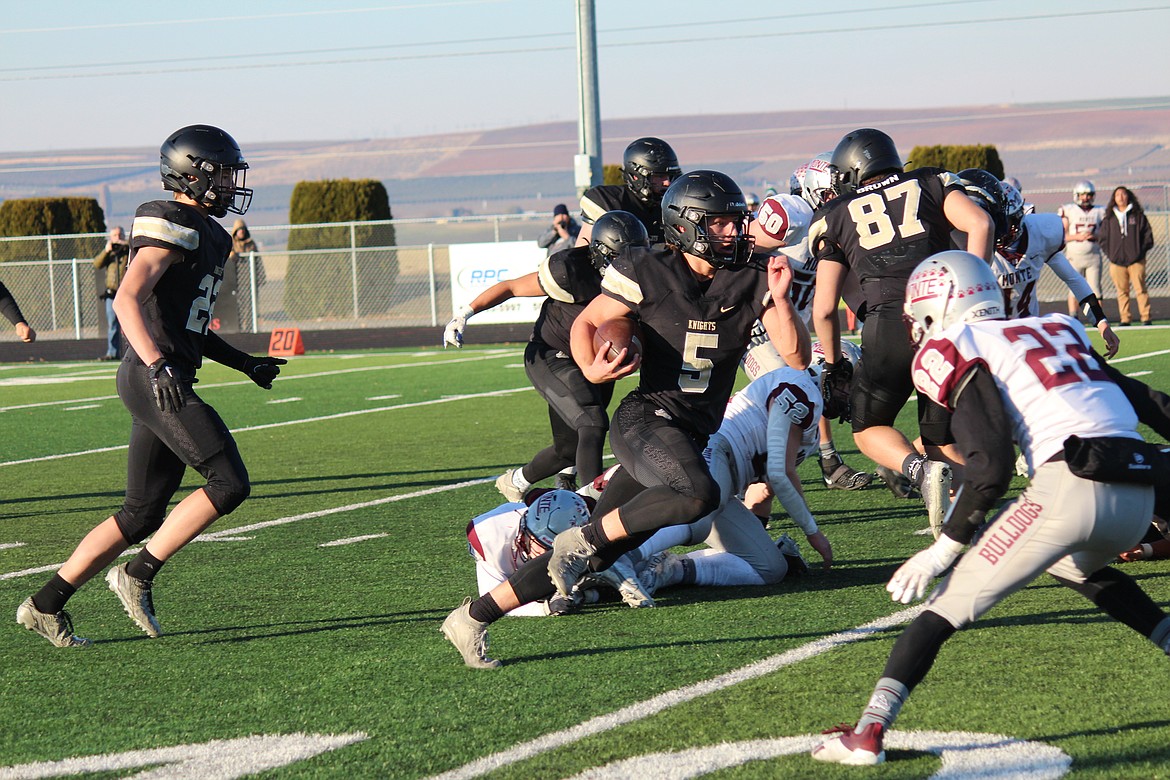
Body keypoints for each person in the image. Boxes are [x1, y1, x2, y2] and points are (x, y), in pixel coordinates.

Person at [440, 170, 810, 669]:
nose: (731, 233)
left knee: (593, 557)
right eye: (720, 223)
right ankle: (582, 538)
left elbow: (795, 355)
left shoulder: (750, 276)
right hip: (647, 421)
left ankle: (472, 617)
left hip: (691, 431)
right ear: (687, 225)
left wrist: (783, 302)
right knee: (700, 495)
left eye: (734, 222)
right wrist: (591, 365)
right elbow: (589, 321)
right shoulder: (649, 268)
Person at [812, 250, 1168, 766]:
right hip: (1138, 493)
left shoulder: (958, 343)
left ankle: (867, 734)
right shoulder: (1058, 327)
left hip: (1069, 485)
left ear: (938, 305)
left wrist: (942, 551)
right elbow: (1153, 403)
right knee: (1074, 567)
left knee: (943, 605)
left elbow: (991, 467)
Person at [15, 125, 286, 648]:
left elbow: (191, 325)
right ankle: (137, 574)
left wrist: (244, 363)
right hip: (152, 376)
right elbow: (126, 299)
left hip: (158, 372)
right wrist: (159, 366)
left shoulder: (209, 232)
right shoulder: (177, 221)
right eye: (224, 173)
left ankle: (45, 605)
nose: (232, 184)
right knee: (229, 483)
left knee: (140, 513)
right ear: (193, 173)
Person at [809, 128, 994, 537]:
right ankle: (972, 521)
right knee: (939, 433)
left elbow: (824, 308)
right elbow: (980, 222)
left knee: (868, 427)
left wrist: (833, 361)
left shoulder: (835, 213)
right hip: (945, 318)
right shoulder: (930, 180)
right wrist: (971, 286)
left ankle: (918, 470)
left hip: (888, 324)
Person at [443, 211, 650, 496]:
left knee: (567, 450)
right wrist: (465, 313)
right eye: (620, 259)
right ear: (600, 255)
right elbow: (512, 287)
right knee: (592, 422)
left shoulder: (645, 275)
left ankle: (515, 482)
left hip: (596, 359)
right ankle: (592, 507)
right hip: (552, 354)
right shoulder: (570, 270)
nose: (630, 267)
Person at [640, 339, 845, 596]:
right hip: (712, 449)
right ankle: (627, 554)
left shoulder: (811, 425)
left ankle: (667, 570)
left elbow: (767, 486)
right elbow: (781, 474)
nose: (847, 392)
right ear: (821, 371)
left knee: (770, 568)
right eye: (844, 383)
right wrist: (812, 532)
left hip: (723, 479)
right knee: (700, 517)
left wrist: (755, 532)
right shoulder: (801, 388)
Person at [989, 177, 1119, 356]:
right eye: (1002, 221)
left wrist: (1101, 322)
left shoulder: (1037, 236)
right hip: (992, 338)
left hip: (1028, 333)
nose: (1008, 227)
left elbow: (1073, 279)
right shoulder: (977, 249)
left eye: (1011, 219)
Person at [576, 136, 681, 246]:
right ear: (636, 176)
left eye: (670, 177)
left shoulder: (673, 207)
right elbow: (581, 253)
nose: (667, 183)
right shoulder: (609, 201)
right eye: (659, 177)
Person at [1099, 186, 1155, 326]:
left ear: (1128, 196)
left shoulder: (1137, 215)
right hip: (1117, 262)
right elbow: (1103, 239)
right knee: (1122, 291)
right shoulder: (1109, 218)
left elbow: (1148, 237)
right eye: (1117, 195)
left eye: (1123, 194)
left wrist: (1139, 253)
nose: (1121, 197)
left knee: (1140, 289)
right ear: (1114, 198)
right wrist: (1112, 255)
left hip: (1137, 261)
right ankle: (1125, 319)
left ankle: (1146, 317)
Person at [1058, 180, 1106, 318]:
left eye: (1089, 194)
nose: (1086, 198)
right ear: (1076, 195)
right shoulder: (1069, 210)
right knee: (1074, 288)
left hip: (1093, 255)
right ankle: (1074, 316)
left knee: (1095, 288)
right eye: (1083, 194)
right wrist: (1076, 236)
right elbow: (1062, 235)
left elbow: (1106, 234)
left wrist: (1095, 236)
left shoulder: (1100, 211)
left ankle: (1099, 317)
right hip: (1074, 255)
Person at [93, 226, 129, 360]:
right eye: (114, 235)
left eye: (120, 235)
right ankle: (112, 352)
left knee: (129, 324)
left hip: (126, 293)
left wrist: (125, 246)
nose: (117, 238)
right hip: (112, 293)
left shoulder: (128, 251)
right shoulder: (110, 254)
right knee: (112, 323)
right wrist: (106, 251)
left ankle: (131, 354)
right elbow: (97, 264)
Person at [228, 218, 266, 332]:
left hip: (250, 280)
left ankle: (250, 329)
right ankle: (239, 329)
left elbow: (258, 260)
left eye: (243, 229)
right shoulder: (232, 244)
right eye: (239, 230)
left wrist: (261, 276)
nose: (241, 232)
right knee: (238, 307)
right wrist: (232, 255)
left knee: (250, 307)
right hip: (236, 281)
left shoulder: (251, 244)